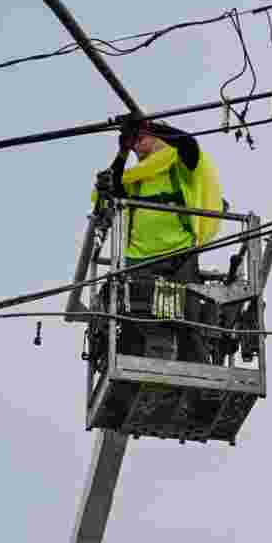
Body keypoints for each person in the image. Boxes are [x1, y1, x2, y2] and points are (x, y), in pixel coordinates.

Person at [91, 119, 224, 362]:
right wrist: (122, 152)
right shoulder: (137, 177)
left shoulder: (179, 164)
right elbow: (113, 187)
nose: (137, 149)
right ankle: (131, 376)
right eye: (134, 146)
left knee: (185, 320)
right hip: (139, 258)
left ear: (158, 139)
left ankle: (199, 380)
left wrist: (151, 125)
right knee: (134, 319)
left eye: (140, 141)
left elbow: (189, 145)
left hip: (178, 253)